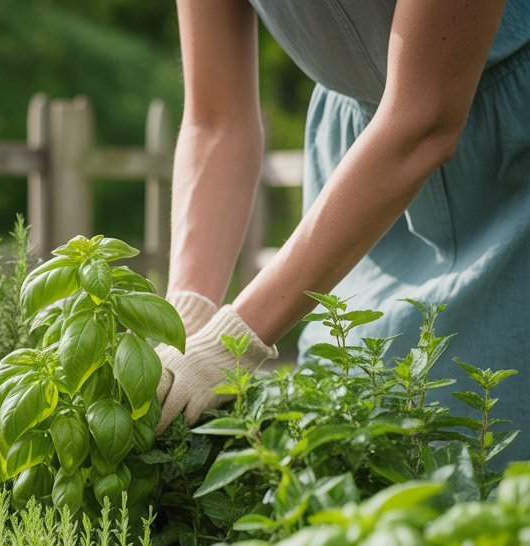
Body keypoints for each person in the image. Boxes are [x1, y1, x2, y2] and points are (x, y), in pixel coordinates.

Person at [157, 0, 530, 462]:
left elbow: (425, 116)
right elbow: (217, 121)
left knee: (502, 449)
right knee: (353, 450)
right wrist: (188, 316)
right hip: (359, 181)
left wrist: (232, 339)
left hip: (508, 140)